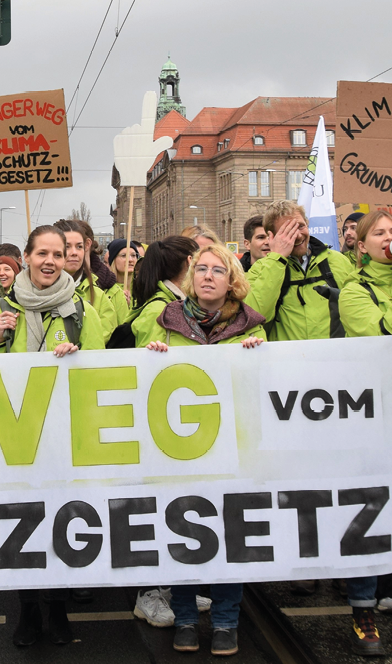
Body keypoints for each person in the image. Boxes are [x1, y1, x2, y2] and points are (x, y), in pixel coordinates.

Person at [0, 225, 104, 647]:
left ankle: (59, 608)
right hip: (17, 437)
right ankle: (29, 610)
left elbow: (104, 371)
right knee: (23, 525)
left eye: (57, 253)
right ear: (28, 258)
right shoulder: (6, 308)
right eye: (41, 253)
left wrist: (79, 358)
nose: (49, 260)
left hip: (64, 437)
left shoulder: (81, 309)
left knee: (63, 520)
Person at [139, 244, 266, 657]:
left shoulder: (251, 328)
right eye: (201, 269)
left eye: (218, 270)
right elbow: (141, 380)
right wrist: (152, 357)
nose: (208, 276)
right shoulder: (166, 322)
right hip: (180, 452)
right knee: (184, 533)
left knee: (230, 536)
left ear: (233, 282)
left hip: (233, 450)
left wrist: (260, 356)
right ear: (191, 278)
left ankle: (227, 621)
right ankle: (188, 618)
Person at [334, 209, 392, 656]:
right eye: (381, 231)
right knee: (370, 510)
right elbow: (378, 335)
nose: (389, 237)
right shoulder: (356, 290)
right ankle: (362, 608)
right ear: (362, 244)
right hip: (374, 416)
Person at [245, 199, 354, 341]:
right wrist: (277, 259)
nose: (297, 235)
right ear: (272, 236)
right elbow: (254, 315)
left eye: (300, 226)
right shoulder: (260, 269)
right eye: (287, 231)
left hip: (333, 356)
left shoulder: (337, 261)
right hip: (287, 359)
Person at [53, 220, 117, 341]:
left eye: (79, 246)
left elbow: (99, 339)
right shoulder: (33, 291)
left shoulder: (99, 297)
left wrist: (73, 350)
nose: (74, 253)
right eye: (67, 246)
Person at [107, 238, 139, 305]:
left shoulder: (143, 289)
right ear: (113, 260)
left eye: (133, 255)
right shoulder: (106, 292)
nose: (130, 260)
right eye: (124, 256)